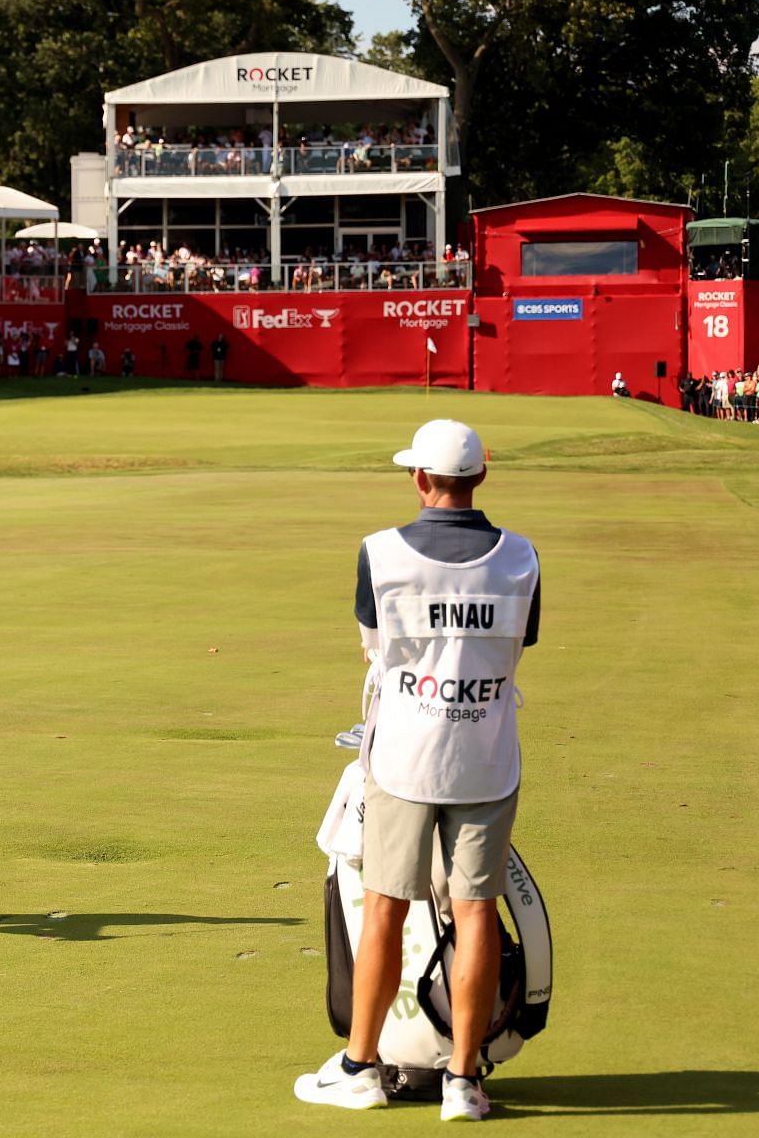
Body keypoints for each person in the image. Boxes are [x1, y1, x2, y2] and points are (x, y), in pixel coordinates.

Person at [296, 419, 541, 1123]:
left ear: (419, 479)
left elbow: (375, 648)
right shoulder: (522, 557)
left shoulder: (381, 553)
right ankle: (463, 1082)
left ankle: (360, 1066)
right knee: (476, 914)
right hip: (487, 757)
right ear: (481, 477)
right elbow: (519, 642)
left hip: (404, 756)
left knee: (384, 907)